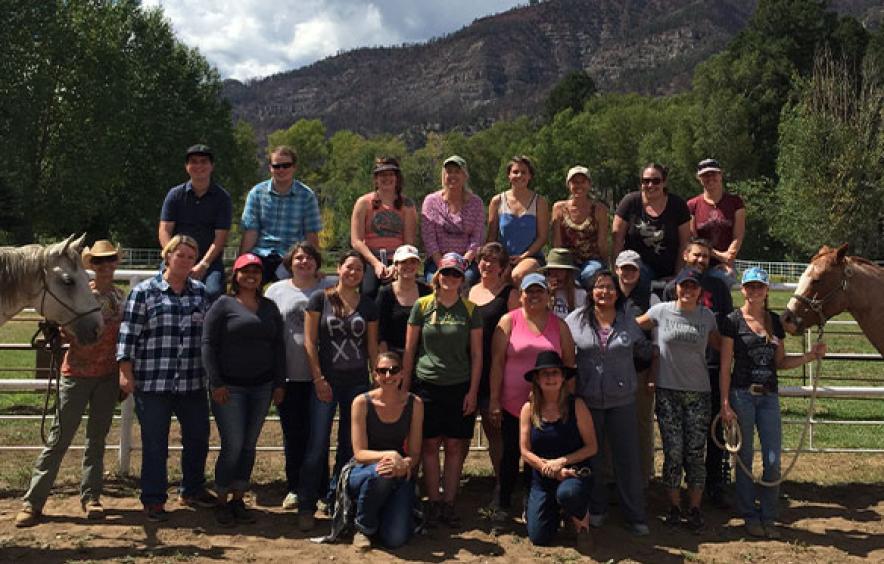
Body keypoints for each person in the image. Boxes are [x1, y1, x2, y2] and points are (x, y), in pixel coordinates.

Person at [15, 241, 126, 528]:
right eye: (100, 262)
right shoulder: (78, 292)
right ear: (93, 266)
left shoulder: (120, 296)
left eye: (111, 260)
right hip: (76, 374)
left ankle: (92, 497)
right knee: (59, 439)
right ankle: (33, 501)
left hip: (107, 375)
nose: (106, 266)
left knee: (96, 440)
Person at [719, 267, 826, 539]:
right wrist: (725, 403)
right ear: (742, 289)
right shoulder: (732, 321)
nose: (754, 291)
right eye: (750, 286)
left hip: (769, 396)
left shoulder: (775, 323)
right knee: (743, 458)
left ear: (766, 290)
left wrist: (810, 357)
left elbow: (780, 363)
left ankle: (769, 515)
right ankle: (749, 515)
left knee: (773, 459)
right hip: (742, 394)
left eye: (759, 287)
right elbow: (724, 366)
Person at [117, 235, 215, 522]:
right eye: (180, 255)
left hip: (192, 382)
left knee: (198, 438)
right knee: (155, 442)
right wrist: (125, 371)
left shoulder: (200, 293)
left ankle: (192, 488)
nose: (185, 261)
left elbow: (208, 336)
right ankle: (153, 498)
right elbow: (128, 334)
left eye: (190, 257)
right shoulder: (145, 292)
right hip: (153, 381)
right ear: (167, 256)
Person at [565, 270, 653, 536]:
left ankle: (635, 514)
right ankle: (598, 508)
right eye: (599, 287)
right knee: (594, 458)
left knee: (627, 459)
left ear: (618, 292)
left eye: (610, 288)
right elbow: (565, 351)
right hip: (587, 400)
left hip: (622, 400)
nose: (605, 292)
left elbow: (644, 351)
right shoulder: (575, 320)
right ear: (591, 292)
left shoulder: (628, 321)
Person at [202, 253, 286, 527]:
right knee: (233, 444)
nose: (251, 276)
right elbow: (208, 345)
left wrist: (279, 382)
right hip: (230, 388)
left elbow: (279, 347)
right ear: (235, 276)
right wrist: (216, 382)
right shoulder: (222, 305)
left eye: (256, 272)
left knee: (249, 445)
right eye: (245, 271)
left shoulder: (269, 307)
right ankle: (222, 499)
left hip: (261, 386)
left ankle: (239, 497)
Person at [299, 251, 379, 531]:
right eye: (349, 267)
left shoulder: (368, 305)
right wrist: (318, 378)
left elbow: (371, 346)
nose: (354, 272)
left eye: (359, 269)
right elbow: (310, 343)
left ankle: (337, 499)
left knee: (348, 446)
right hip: (326, 382)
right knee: (317, 444)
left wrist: (376, 379)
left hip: (357, 383)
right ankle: (306, 503)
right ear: (339, 269)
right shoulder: (320, 298)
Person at [403, 252, 482, 527]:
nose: (450, 278)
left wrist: (473, 391)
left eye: (456, 274)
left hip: (459, 385)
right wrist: (404, 383)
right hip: (427, 384)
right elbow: (411, 349)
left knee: (454, 445)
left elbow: (477, 354)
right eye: (446, 273)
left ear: (463, 279)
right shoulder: (422, 306)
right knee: (429, 444)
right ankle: (433, 502)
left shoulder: (471, 310)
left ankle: (449, 502)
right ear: (438, 275)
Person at [638, 268, 720, 531]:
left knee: (696, 453)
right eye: (684, 286)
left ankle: (694, 507)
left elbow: (722, 344)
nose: (688, 291)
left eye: (693, 287)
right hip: (667, 390)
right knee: (673, 451)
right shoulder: (660, 311)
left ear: (699, 291)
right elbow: (632, 326)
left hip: (699, 391)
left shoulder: (707, 316)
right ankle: (673, 506)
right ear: (676, 288)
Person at [488, 273, 576, 520]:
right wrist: (494, 399)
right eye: (529, 291)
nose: (534, 296)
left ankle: (533, 502)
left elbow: (569, 363)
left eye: (539, 291)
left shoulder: (559, 325)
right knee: (509, 455)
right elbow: (496, 363)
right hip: (511, 403)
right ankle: (503, 502)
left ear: (548, 295)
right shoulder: (508, 321)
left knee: (537, 455)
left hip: (548, 404)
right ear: (521, 295)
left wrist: (568, 400)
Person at [663, 238, 734, 507]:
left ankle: (715, 483)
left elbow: (725, 329)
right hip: (679, 371)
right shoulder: (672, 288)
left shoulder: (719, 287)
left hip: (712, 368)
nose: (701, 260)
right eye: (696, 255)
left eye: (705, 257)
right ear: (685, 255)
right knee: (678, 436)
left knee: (713, 433)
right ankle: (677, 487)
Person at [265, 242, 336, 511]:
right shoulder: (275, 291)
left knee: (319, 435)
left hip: (322, 375)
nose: (304, 262)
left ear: (318, 263)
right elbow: (271, 335)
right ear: (289, 263)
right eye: (299, 258)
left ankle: (320, 488)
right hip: (289, 374)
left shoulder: (328, 288)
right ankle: (294, 487)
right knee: (292, 433)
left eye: (309, 258)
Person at [520, 351, 597, 549]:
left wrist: (561, 462)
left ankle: (581, 523)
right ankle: (555, 511)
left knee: (568, 494)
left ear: (563, 377)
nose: (550, 378)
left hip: (574, 474)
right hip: (543, 477)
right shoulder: (529, 409)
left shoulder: (577, 405)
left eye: (555, 373)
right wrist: (550, 469)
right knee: (539, 538)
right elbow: (525, 451)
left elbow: (591, 447)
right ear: (536, 379)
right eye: (544, 374)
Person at [348, 351, 424, 550]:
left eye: (394, 370)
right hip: (362, 470)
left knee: (395, 539)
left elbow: (415, 453)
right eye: (383, 371)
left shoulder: (415, 404)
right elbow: (360, 453)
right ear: (375, 375)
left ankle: (379, 514)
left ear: (402, 374)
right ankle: (363, 528)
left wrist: (405, 464)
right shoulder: (361, 402)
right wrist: (390, 456)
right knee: (383, 471)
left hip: (398, 470)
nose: (388, 376)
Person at [467, 242, 519, 491]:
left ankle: (503, 487)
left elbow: (518, 332)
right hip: (466, 370)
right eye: (483, 260)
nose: (487, 265)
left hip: (496, 370)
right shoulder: (466, 290)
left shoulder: (510, 294)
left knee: (495, 433)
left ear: (503, 267)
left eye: (493, 261)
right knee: (460, 435)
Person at [159, 144, 233, 301]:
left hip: (209, 262)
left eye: (204, 161)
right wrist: (172, 256)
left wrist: (203, 265)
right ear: (186, 166)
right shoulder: (175, 195)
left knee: (212, 293)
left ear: (212, 166)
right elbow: (164, 229)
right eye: (193, 161)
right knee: (162, 290)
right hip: (175, 258)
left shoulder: (222, 198)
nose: (199, 166)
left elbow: (220, 237)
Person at [240, 145, 322, 284]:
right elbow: (251, 232)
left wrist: (316, 266)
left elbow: (311, 234)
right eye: (277, 166)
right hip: (261, 252)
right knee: (247, 281)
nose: (281, 170)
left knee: (286, 288)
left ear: (294, 167)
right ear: (270, 168)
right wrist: (242, 260)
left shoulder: (306, 195)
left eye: (286, 165)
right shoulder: (257, 193)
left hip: (290, 255)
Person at [614, 250, 660, 484]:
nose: (628, 272)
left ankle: (642, 478)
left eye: (633, 268)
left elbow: (658, 343)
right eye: (624, 268)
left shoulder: (651, 300)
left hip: (640, 370)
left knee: (642, 425)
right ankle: (613, 478)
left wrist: (653, 373)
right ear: (617, 270)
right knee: (612, 426)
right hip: (612, 372)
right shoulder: (606, 295)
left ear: (639, 271)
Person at [612, 162, 691, 292]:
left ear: (664, 182)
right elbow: (617, 239)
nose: (650, 185)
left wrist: (677, 276)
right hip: (636, 270)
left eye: (656, 181)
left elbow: (685, 243)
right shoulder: (630, 202)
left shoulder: (678, 205)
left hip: (669, 271)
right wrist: (616, 273)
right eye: (646, 181)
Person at [350, 157, 418, 298]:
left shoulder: (407, 205)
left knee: (400, 294)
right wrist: (376, 264)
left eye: (390, 174)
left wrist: (397, 263)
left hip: (399, 258)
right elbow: (356, 240)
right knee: (368, 292)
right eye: (382, 175)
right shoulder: (363, 203)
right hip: (370, 257)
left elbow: (409, 241)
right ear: (375, 179)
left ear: (397, 178)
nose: (386, 178)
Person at [487, 155, 550, 286]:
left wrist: (523, 256)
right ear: (508, 175)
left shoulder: (540, 202)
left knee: (517, 275)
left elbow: (542, 237)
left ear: (530, 176)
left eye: (524, 172)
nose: (519, 175)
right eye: (515, 172)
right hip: (503, 258)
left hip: (531, 257)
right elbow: (492, 237)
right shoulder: (497, 201)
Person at [420, 155, 484, 285]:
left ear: (465, 175)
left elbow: (477, 237)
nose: (453, 175)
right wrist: (442, 264)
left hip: (465, 263)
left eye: (457, 171)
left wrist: (462, 263)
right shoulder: (431, 201)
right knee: (436, 283)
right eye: (449, 171)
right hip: (437, 261)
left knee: (464, 282)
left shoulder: (476, 203)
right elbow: (429, 238)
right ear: (443, 175)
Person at [688, 159, 745, 287]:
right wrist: (720, 256)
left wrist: (728, 257)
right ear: (699, 178)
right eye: (705, 175)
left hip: (726, 263)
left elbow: (738, 235)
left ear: (721, 175)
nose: (710, 178)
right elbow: (694, 239)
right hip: (699, 260)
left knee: (720, 281)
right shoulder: (692, 205)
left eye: (713, 174)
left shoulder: (735, 202)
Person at [551, 165, 609, 288]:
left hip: (592, 260)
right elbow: (557, 242)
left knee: (589, 274)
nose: (579, 186)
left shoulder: (599, 209)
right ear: (568, 185)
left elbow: (602, 243)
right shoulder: (559, 208)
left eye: (583, 182)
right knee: (567, 277)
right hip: (567, 260)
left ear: (589, 184)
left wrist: (607, 265)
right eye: (575, 182)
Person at [375, 245, 431, 357]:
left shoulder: (427, 291)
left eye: (413, 262)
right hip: (393, 354)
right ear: (395, 265)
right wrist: (387, 359)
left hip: (422, 355)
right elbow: (380, 332)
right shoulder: (385, 293)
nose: (408, 266)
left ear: (418, 265)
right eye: (403, 262)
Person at [540, 248, 586, 320]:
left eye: (561, 270)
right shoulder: (541, 291)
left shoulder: (580, 293)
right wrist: (550, 295)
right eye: (553, 270)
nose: (556, 274)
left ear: (568, 273)